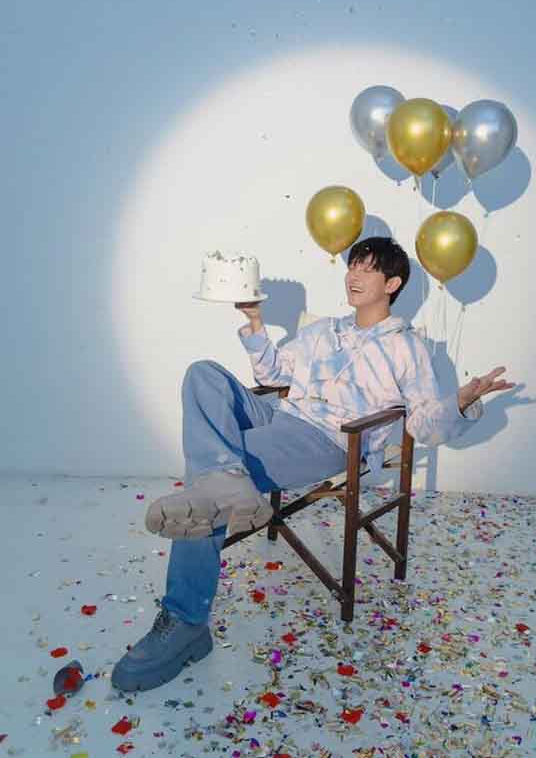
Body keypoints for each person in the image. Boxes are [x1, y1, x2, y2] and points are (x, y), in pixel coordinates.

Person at [111, 237, 515, 692]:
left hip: (327, 439)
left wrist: (460, 401)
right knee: (203, 374)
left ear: (392, 283)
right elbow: (273, 376)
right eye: (352, 265)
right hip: (281, 415)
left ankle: (186, 619)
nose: (353, 275)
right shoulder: (325, 331)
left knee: (213, 475)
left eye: (367, 268)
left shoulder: (407, 348)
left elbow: (422, 424)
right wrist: (256, 321)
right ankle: (222, 481)